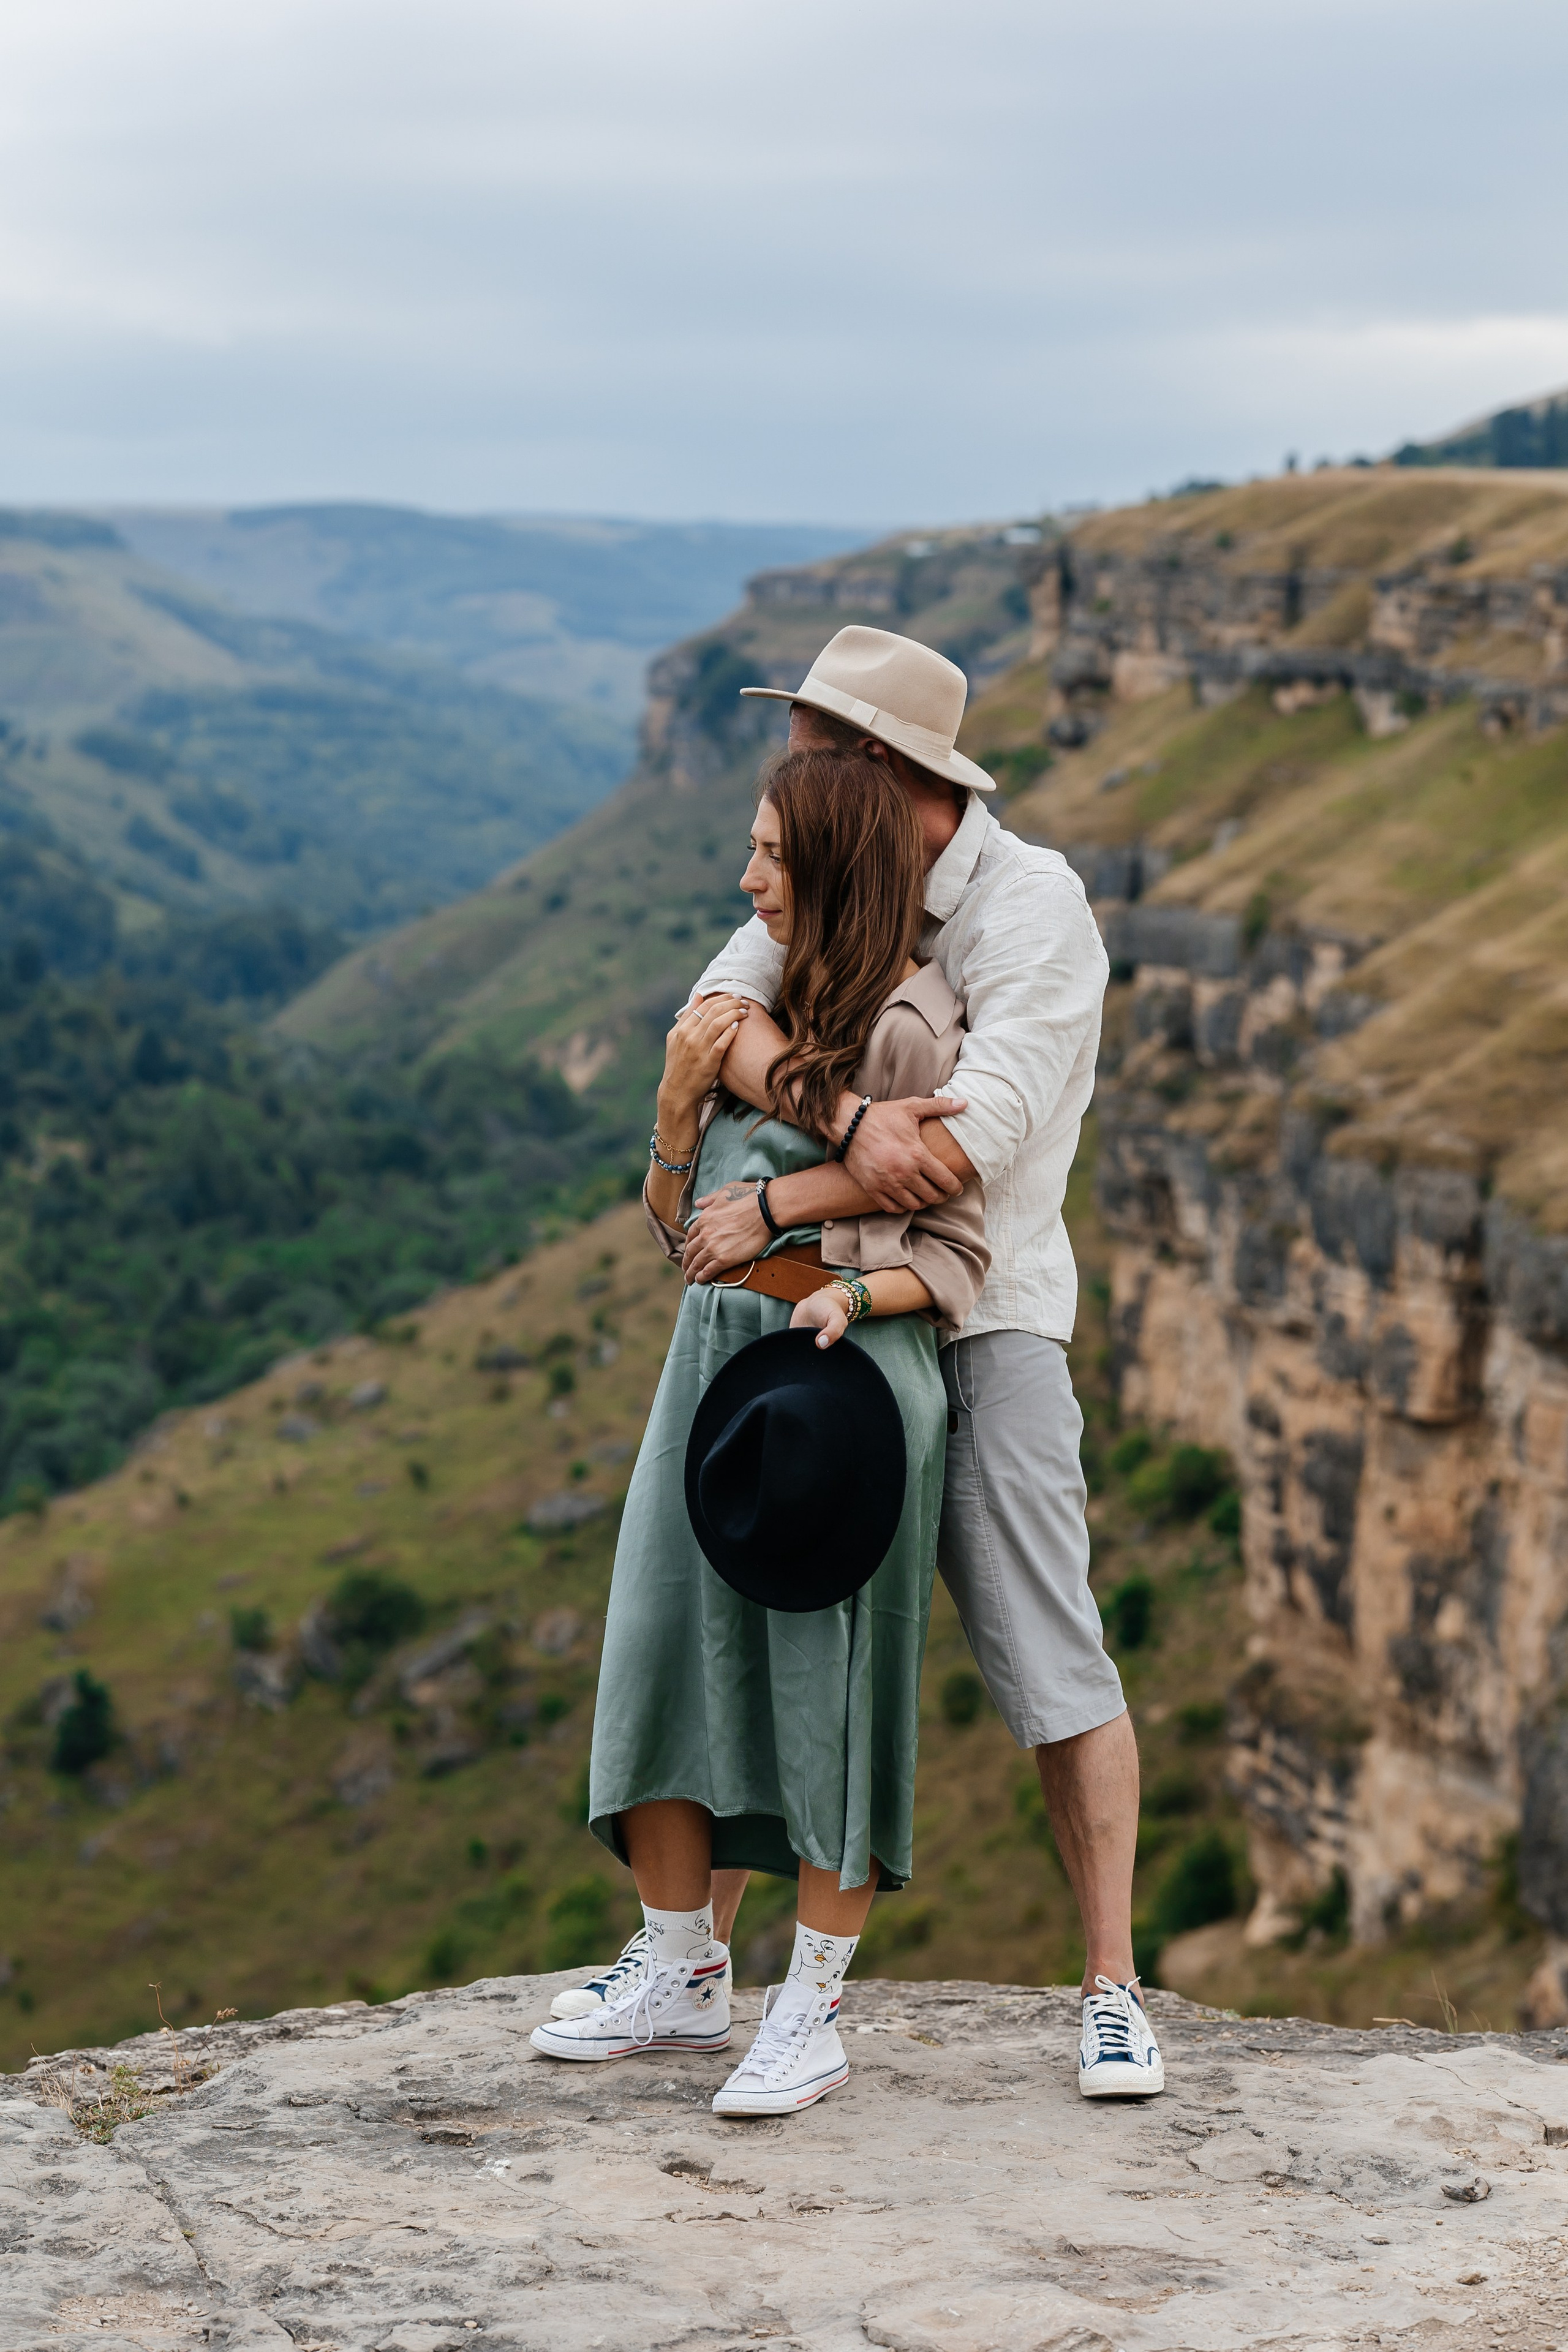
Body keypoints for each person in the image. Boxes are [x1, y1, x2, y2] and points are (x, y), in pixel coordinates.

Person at [549, 624, 1163, 2098]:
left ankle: (1111, 1985)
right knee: (749, 1603)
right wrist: (834, 1118)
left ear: (885, 777)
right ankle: (694, 1964)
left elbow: (967, 1147)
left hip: (979, 1305)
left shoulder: (1031, 911)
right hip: (806, 1296)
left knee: (1042, 1640)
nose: (796, 787)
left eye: (820, 759)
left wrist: (778, 1173)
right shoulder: (829, 872)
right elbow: (713, 1024)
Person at [530, 746, 987, 2117]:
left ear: (836, 870)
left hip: (844, 1375)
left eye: (771, 859)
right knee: (664, 1645)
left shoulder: (911, 1028)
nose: (744, 880)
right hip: (717, 1360)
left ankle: (814, 2007)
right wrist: (675, 1117)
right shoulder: (744, 1007)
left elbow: (956, 1259)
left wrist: (840, 1276)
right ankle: (680, 1969)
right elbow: (679, 1230)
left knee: (831, 1692)